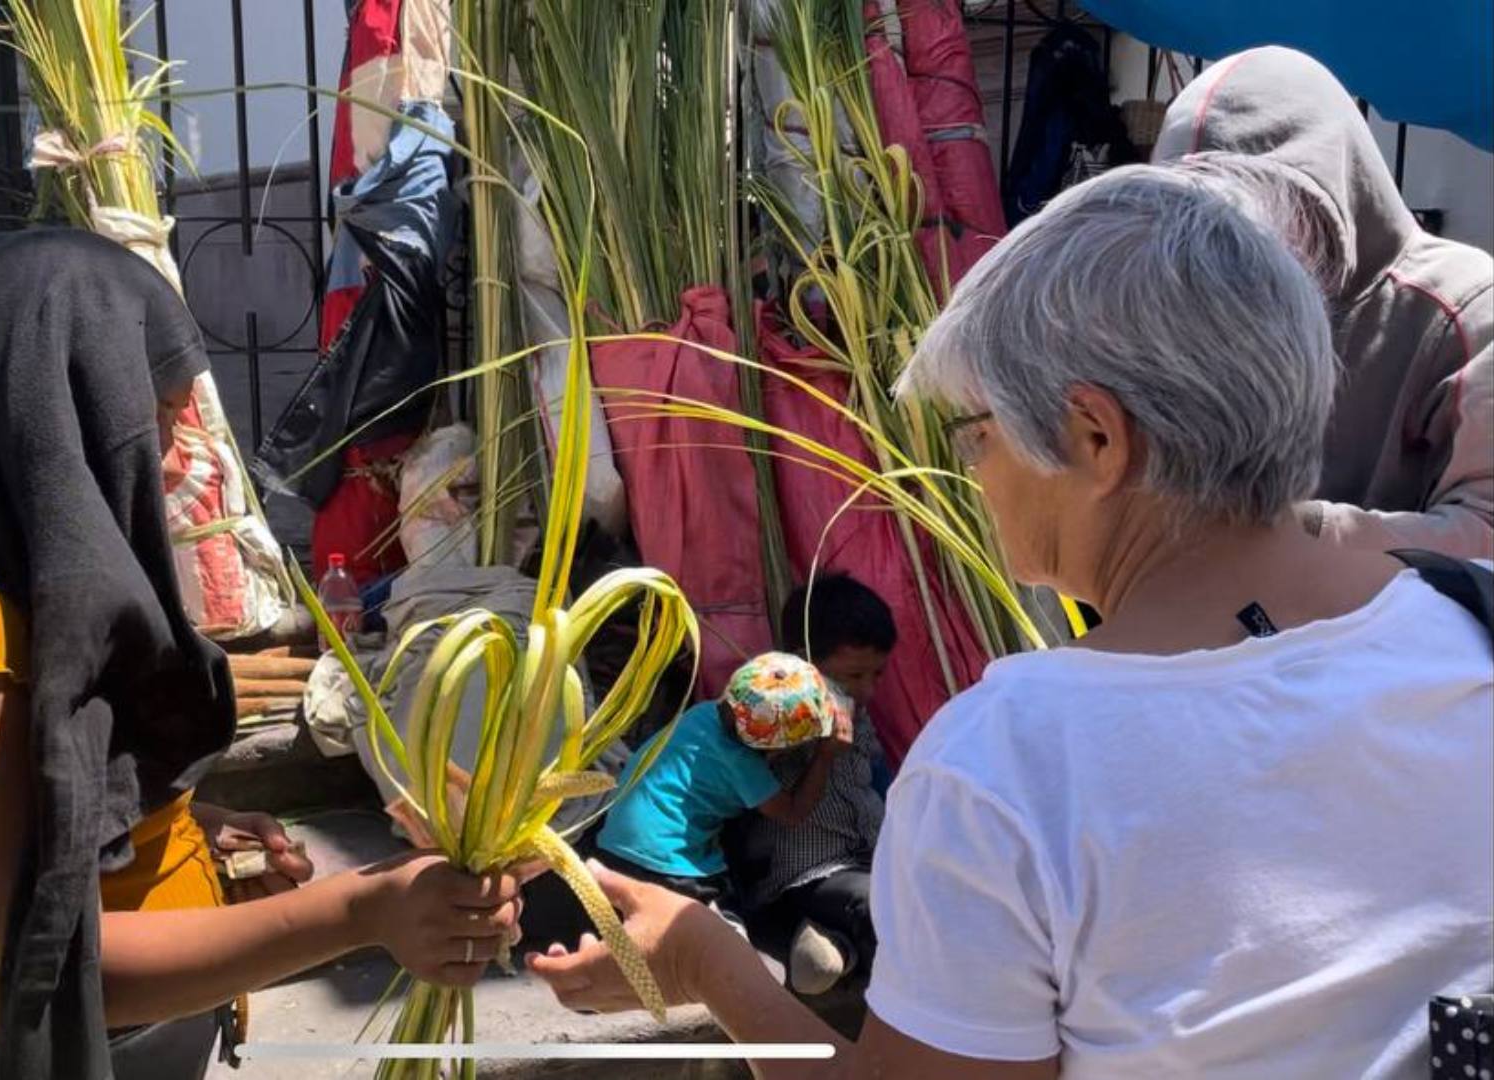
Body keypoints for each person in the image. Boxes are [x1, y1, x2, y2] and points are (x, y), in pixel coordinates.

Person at [526, 162, 1493, 1077]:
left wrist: (704, 962)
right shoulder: (1462, 626)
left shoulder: (1014, 763)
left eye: (977, 433)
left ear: (1096, 438)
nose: (974, 472)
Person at [0, 228, 520, 1078]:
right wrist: (361, 909)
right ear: (50, 409)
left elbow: (45, 817)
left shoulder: (14, 580)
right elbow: (58, 965)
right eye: (162, 418)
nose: (180, 458)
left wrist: (183, 836)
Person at [1155, 46, 1493, 560]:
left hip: (1402, 636)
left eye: (1254, 210)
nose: (1226, 247)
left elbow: (1485, 533)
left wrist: (1292, 533)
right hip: (1232, 632)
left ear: (1331, 195)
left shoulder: (1465, 308)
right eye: (1194, 217)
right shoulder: (1191, 315)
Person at [724, 575, 894, 996]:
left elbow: (873, 782)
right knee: (878, 904)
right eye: (854, 675)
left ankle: (833, 950)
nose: (867, 689)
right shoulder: (776, 716)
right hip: (801, 878)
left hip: (860, 865)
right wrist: (822, 752)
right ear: (803, 664)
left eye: (876, 674)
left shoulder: (857, 712)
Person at [591, 652, 854, 911]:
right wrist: (824, 757)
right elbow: (792, 813)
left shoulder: (702, 713)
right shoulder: (742, 763)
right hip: (665, 862)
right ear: (780, 746)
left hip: (613, 843)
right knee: (724, 932)